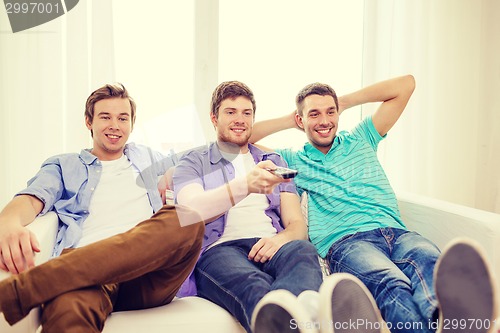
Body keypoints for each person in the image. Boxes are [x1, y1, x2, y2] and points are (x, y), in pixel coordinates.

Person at [250, 75, 497, 333]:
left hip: (398, 233)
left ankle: (448, 324)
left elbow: (406, 85)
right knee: (390, 282)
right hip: (347, 241)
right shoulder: (294, 159)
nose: (324, 121)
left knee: (429, 262)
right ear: (301, 120)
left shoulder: (361, 138)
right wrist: (293, 119)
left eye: (330, 112)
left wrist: (342, 102)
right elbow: (247, 136)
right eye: (314, 115)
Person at [172, 81, 386, 333]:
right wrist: (245, 185)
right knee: (257, 287)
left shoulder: (273, 161)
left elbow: (297, 225)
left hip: (272, 244)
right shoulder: (192, 161)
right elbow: (192, 210)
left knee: (302, 251)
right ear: (213, 118)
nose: (240, 119)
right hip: (220, 250)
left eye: (247, 113)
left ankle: (307, 314)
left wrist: (280, 240)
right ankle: (317, 319)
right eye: (231, 112)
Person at [0, 83, 205, 332]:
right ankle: (37, 287)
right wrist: (8, 223)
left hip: (148, 275)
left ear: (131, 124)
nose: (114, 126)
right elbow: (30, 198)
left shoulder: (150, 159)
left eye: (122, 118)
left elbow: (217, 150)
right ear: (89, 122)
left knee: (188, 219)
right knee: (67, 309)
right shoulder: (65, 165)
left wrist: (175, 169)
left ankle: (20, 291)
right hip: (85, 275)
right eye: (105, 117)